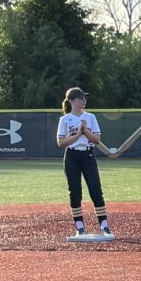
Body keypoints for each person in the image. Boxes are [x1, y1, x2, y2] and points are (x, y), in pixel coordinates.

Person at [56, 87, 112, 237]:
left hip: (87, 155)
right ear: (72, 101)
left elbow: (97, 140)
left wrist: (85, 131)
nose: (84, 101)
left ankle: (104, 225)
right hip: (72, 157)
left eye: (84, 99)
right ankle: (79, 226)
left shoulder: (91, 117)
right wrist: (78, 134)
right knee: (75, 192)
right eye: (81, 98)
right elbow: (61, 143)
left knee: (95, 190)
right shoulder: (65, 119)